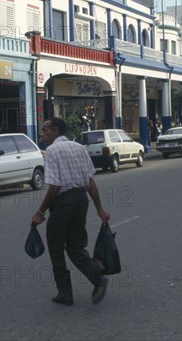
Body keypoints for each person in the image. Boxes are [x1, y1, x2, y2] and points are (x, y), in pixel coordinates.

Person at [31, 117, 111, 306]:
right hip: (81, 201)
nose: (42, 134)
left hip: (63, 203)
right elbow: (90, 181)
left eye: (45, 130)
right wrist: (99, 208)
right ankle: (97, 277)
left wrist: (40, 212)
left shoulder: (51, 151)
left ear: (56, 131)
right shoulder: (79, 148)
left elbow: (55, 186)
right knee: (75, 246)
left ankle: (65, 294)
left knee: (56, 247)